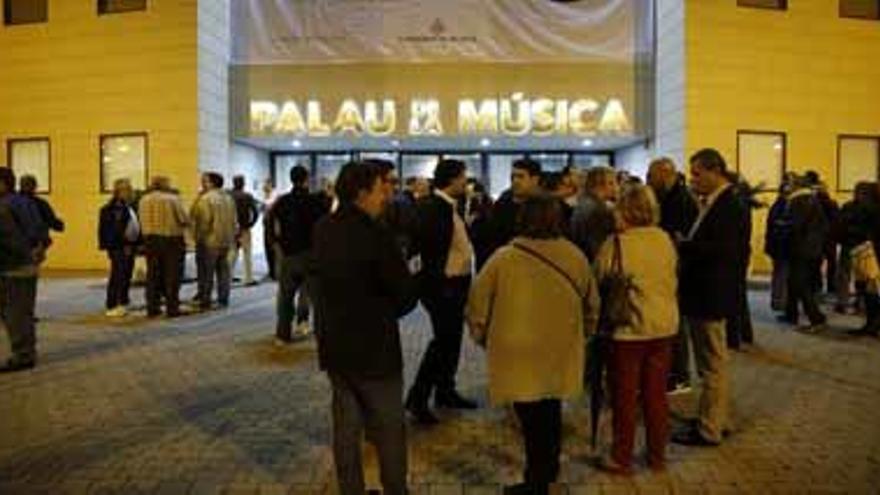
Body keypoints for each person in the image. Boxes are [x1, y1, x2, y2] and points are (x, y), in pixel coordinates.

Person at [466, 195, 599, 494]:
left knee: (531, 420)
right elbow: (592, 304)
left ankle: (536, 482)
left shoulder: (503, 258)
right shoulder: (574, 255)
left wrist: (484, 338)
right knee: (550, 412)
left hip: (518, 352)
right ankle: (546, 472)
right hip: (559, 349)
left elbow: (477, 305)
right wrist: (583, 334)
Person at [310, 161, 418, 495]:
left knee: (346, 428)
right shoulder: (376, 234)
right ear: (361, 192)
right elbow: (404, 295)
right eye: (380, 188)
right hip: (375, 349)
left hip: (335, 345)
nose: (386, 195)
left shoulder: (324, 227)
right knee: (388, 430)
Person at [594, 184, 679, 475]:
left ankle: (622, 456)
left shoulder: (616, 243)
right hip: (664, 326)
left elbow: (600, 276)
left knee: (625, 395)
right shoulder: (664, 239)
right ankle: (657, 456)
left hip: (628, 330)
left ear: (624, 209)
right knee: (656, 394)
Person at [672, 149, 748, 447]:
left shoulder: (729, 204)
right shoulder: (719, 202)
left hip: (709, 294)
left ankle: (709, 429)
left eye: (697, 173)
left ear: (715, 171)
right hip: (708, 292)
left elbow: (723, 252)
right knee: (714, 363)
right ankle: (717, 418)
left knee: (711, 365)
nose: (693, 179)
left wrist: (686, 247)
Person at [406, 159, 478, 425]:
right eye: (463, 177)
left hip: (455, 284)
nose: (466, 182)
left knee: (452, 340)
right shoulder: (433, 207)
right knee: (443, 342)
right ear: (453, 179)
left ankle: (445, 390)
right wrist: (439, 285)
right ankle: (418, 397)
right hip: (442, 286)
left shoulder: (448, 206)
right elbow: (428, 250)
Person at [647, 157, 698, 394]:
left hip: (678, 269)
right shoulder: (670, 197)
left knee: (677, 324)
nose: (648, 179)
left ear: (665, 174)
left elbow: (676, 237)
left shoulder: (681, 200)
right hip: (673, 268)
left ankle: (680, 376)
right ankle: (675, 373)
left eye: (652, 174)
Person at [267, 166, 329, 343]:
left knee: (285, 297)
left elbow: (271, 225)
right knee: (316, 298)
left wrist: (278, 244)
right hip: (311, 255)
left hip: (289, 255)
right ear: (306, 179)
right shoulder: (315, 201)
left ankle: (282, 333)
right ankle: (321, 334)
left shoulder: (282, 201)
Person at [0, 167, 45, 373]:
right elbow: (41, 230)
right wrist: (37, 251)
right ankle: (27, 350)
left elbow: (9, 239)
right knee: (23, 311)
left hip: (13, 266)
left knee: (14, 312)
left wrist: (24, 254)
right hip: (27, 265)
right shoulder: (26, 202)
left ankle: (23, 355)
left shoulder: (5, 206)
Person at [779, 175, 829, 329]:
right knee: (796, 282)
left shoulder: (798, 201)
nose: (787, 187)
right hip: (812, 248)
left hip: (801, 249)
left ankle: (816, 318)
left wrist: (783, 225)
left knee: (800, 283)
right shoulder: (811, 199)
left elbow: (796, 226)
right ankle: (791, 314)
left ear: (796, 186)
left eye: (789, 184)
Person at [139, 176, 189, 318]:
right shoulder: (172, 199)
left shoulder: (144, 200)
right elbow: (184, 219)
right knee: (172, 275)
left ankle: (152, 307)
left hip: (149, 240)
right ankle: (172, 308)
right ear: (165, 185)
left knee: (153, 274)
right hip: (171, 240)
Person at [478, 158, 543, 268]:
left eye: (521, 176)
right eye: (513, 177)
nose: (515, 181)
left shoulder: (546, 206)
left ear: (535, 179)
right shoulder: (502, 205)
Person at [191, 172, 238, 310]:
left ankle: (205, 300)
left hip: (210, 241)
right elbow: (234, 220)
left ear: (211, 183)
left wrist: (199, 237)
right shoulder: (229, 198)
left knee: (206, 272)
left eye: (204, 181)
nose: (202, 184)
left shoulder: (206, 199)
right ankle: (223, 299)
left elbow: (204, 221)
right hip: (226, 240)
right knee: (224, 272)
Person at [98, 178, 140, 317]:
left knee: (126, 274)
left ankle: (123, 300)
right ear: (119, 192)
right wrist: (125, 244)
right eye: (127, 190)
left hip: (127, 246)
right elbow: (117, 230)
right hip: (120, 247)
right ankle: (114, 303)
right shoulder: (116, 208)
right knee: (118, 275)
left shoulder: (127, 206)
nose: (130, 192)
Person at [845, 182, 880, 337]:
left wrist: (851, 230)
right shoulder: (865, 208)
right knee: (870, 292)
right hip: (868, 254)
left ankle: (872, 325)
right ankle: (872, 324)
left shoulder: (867, 209)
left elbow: (862, 229)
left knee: (871, 292)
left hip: (870, 255)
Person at [571, 166, 619, 262]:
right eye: (611, 183)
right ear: (598, 185)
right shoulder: (598, 210)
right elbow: (597, 246)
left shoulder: (584, 203)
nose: (616, 187)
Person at [766, 181, 793, 313]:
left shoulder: (780, 205)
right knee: (781, 274)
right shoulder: (780, 206)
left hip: (780, 246)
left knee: (780, 274)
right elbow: (775, 224)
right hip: (781, 246)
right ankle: (779, 301)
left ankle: (779, 300)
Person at [228, 175, 260, 286]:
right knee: (247, 253)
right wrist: (251, 224)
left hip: (231, 228)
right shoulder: (247, 196)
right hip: (244, 228)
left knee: (232, 252)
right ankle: (248, 278)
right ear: (243, 183)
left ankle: (228, 276)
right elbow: (255, 212)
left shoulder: (228, 195)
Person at [260, 179, 279, 280]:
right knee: (267, 248)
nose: (263, 187)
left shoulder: (275, 195)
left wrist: (265, 206)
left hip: (272, 226)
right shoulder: (266, 195)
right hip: (266, 224)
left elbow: (270, 207)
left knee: (272, 249)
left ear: (270, 185)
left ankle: (275, 272)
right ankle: (271, 271)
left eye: (265, 185)